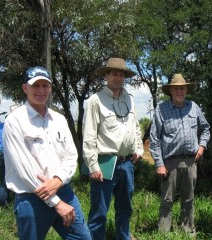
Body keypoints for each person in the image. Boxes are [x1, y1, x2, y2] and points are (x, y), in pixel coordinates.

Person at [3, 66, 91, 240]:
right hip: (31, 198)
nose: (41, 90)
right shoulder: (15, 121)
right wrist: (56, 202)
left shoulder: (58, 119)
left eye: (45, 85)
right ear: (25, 88)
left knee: (83, 237)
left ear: (50, 88)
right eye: (36, 85)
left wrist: (58, 180)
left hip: (64, 192)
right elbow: (25, 170)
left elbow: (71, 156)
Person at [83, 58, 144, 240]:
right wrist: (93, 166)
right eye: (114, 74)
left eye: (121, 74)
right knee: (99, 213)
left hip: (127, 164)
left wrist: (139, 150)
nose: (118, 78)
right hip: (105, 164)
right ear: (106, 75)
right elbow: (89, 136)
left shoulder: (130, 100)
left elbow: (136, 127)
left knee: (125, 209)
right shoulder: (95, 100)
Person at [149, 73, 210, 235]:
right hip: (169, 163)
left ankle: (188, 232)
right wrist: (159, 164)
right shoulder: (161, 109)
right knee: (167, 200)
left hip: (191, 162)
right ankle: (163, 234)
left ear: (186, 90)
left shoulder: (194, 107)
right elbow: (154, 139)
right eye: (175, 88)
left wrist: (202, 147)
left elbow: (205, 129)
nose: (179, 91)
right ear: (170, 91)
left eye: (182, 88)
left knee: (189, 200)